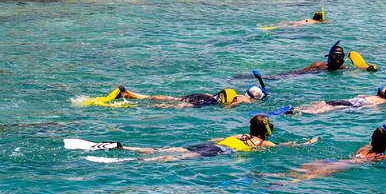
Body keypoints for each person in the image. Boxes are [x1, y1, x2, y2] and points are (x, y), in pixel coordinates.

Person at [93, 114, 318, 162]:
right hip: (221, 151)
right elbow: (284, 146)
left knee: (176, 149)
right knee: (177, 158)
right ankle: (138, 161)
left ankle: (128, 148)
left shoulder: (240, 134)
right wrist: (307, 143)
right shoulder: (263, 142)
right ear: (265, 131)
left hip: (216, 144)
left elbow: (218, 138)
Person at [274, 124, 386, 184]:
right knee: (306, 177)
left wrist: (381, 137)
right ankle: (284, 184)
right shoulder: (380, 157)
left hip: (331, 160)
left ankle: (269, 175)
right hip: (343, 166)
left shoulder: (362, 150)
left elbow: (374, 141)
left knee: (297, 171)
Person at [113, 70, 269, 108]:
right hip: (206, 102)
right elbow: (230, 106)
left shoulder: (235, 92)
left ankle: (133, 95)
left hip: (203, 95)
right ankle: (134, 104)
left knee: (173, 99)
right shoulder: (244, 100)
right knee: (172, 107)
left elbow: (213, 95)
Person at [288, 70, 386, 114]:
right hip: (353, 104)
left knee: (325, 103)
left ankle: (298, 108)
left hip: (350, 100)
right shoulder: (382, 101)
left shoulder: (371, 95)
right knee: (326, 109)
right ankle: (303, 111)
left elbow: (359, 95)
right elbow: (373, 105)